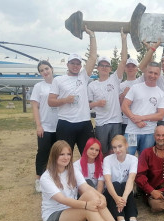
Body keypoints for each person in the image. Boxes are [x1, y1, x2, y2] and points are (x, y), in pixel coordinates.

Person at [40, 140, 149, 221]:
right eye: (62, 154)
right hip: (55, 219)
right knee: (88, 208)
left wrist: (100, 196)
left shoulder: (71, 170)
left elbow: (85, 187)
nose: (66, 158)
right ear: (54, 155)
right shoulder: (46, 177)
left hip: (71, 211)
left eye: (68, 154)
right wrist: (86, 205)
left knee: (92, 196)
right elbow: (63, 200)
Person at [48, 26, 96, 155]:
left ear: (80, 66)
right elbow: (51, 101)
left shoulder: (83, 76)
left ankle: (87, 176)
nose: (75, 66)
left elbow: (92, 57)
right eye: (73, 63)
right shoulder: (58, 80)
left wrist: (92, 35)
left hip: (84, 122)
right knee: (64, 155)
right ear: (67, 64)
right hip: (66, 123)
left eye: (78, 64)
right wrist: (65, 100)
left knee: (89, 155)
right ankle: (64, 175)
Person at [88, 29, 127, 155]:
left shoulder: (115, 79)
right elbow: (87, 105)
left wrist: (123, 39)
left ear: (110, 68)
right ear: (98, 68)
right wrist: (97, 103)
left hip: (116, 121)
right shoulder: (92, 85)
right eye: (102, 65)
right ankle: (104, 174)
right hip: (101, 123)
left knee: (116, 151)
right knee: (102, 152)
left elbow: (123, 60)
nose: (104, 68)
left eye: (107, 66)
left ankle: (115, 173)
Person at [121, 62, 164, 155]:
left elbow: (160, 115)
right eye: (150, 72)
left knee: (145, 160)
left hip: (149, 133)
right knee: (126, 157)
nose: (152, 75)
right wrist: (136, 120)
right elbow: (124, 106)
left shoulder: (161, 93)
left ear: (159, 74)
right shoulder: (135, 88)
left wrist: (141, 118)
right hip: (132, 132)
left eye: (156, 73)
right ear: (146, 72)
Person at [103, 135, 140, 221]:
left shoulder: (133, 159)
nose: (117, 150)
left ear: (126, 145)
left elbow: (131, 179)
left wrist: (123, 198)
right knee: (116, 184)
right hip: (111, 193)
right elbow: (107, 181)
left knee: (124, 184)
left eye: (120, 146)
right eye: (114, 147)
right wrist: (117, 198)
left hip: (125, 192)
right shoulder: (108, 159)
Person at [31, 60, 58, 192]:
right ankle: (39, 179)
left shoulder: (59, 83)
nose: (45, 72)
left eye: (46, 69)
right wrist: (38, 125)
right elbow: (35, 106)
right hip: (45, 126)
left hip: (60, 126)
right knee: (43, 153)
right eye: (41, 70)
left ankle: (55, 177)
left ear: (52, 69)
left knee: (58, 153)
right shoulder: (39, 87)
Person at [119, 58, 144, 135]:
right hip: (126, 121)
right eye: (128, 66)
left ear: (137, 69)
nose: (130, 68)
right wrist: (123, 94)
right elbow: (120, 104)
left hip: (140, 120)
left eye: (133, 66)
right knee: (127, 145)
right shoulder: (121, 85)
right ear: (124, 69)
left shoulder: (141, 81)